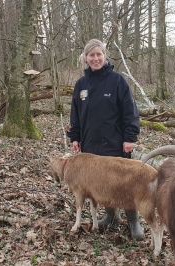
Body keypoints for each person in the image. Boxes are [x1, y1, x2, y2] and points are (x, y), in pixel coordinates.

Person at [67, 38, 144, 241]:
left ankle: (133, 220)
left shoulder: (117, 81)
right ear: (85, 58)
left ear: (104, 55)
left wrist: (130, 137)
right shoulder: (81, 85)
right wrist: (75, 137)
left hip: (116, 142)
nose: (95, 58)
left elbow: (130, 111)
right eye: (91, 55)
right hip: (91, 145)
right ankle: (111, 216)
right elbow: (75, 114)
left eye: (98, 54)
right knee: (102, 183)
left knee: (125, 183)